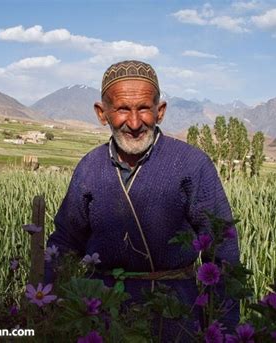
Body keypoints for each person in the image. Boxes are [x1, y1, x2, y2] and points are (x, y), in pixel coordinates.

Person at [45, 60, 240, 340]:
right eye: (123, 109)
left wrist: (224, 325)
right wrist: (48, 301)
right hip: (103, 313)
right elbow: (65, 240)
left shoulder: (192, 165)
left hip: (174, 314)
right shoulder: (89, 168)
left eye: (144, 109)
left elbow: (223, 246)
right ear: (103, 113)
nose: (134, 123)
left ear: (160, 111)